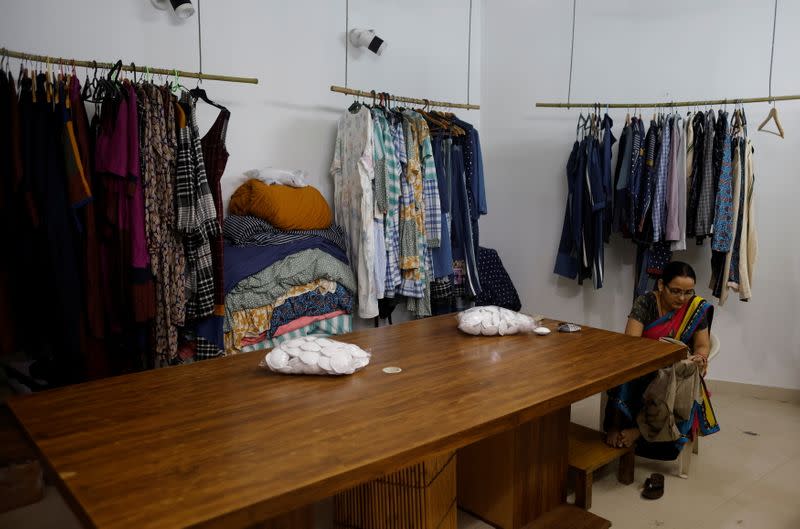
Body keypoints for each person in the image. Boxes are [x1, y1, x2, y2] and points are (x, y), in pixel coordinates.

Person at [604, 261, 719, 460]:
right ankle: (616, 425)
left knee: (670, 380)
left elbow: (702, 345)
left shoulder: (695, 308)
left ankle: (639, 432)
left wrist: (699, 358)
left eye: (688, 292)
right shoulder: (646, 302)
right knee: (622, 371)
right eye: (675, 291)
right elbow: (631, 342)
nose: (682, 298)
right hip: (644, 363)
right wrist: (657, 356)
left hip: (676, 371)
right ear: (660, 285)